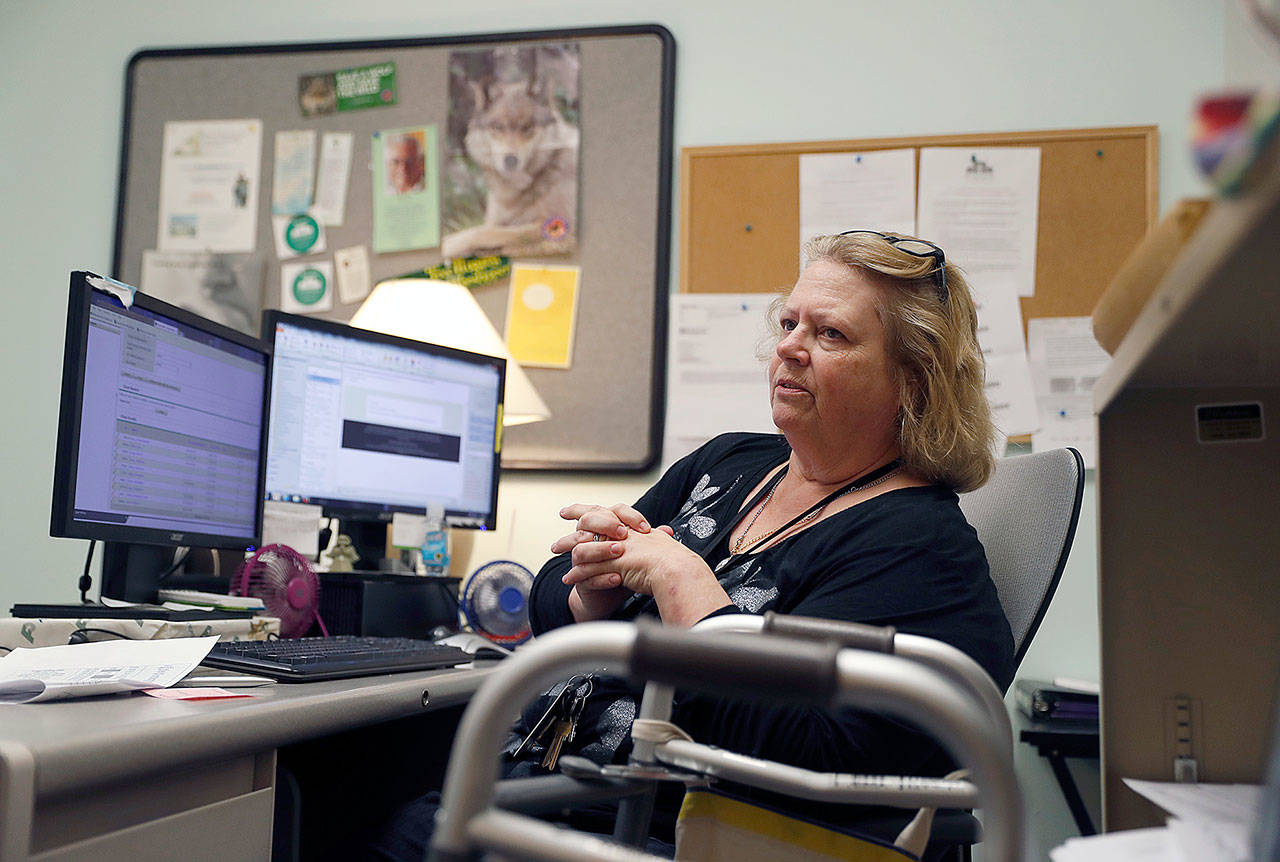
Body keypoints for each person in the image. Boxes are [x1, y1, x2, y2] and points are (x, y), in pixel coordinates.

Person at [368, 231, 1015, 859]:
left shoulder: (920, 547)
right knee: (346, 780)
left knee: (365, 821)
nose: (790, 347)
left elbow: (824, 762)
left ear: (915, 381)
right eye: (788, 324)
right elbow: (549, 603)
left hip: (659, 830)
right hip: (550, 783)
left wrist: (687, 591)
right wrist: (590, 593)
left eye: (831, 334)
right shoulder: (729, 463)